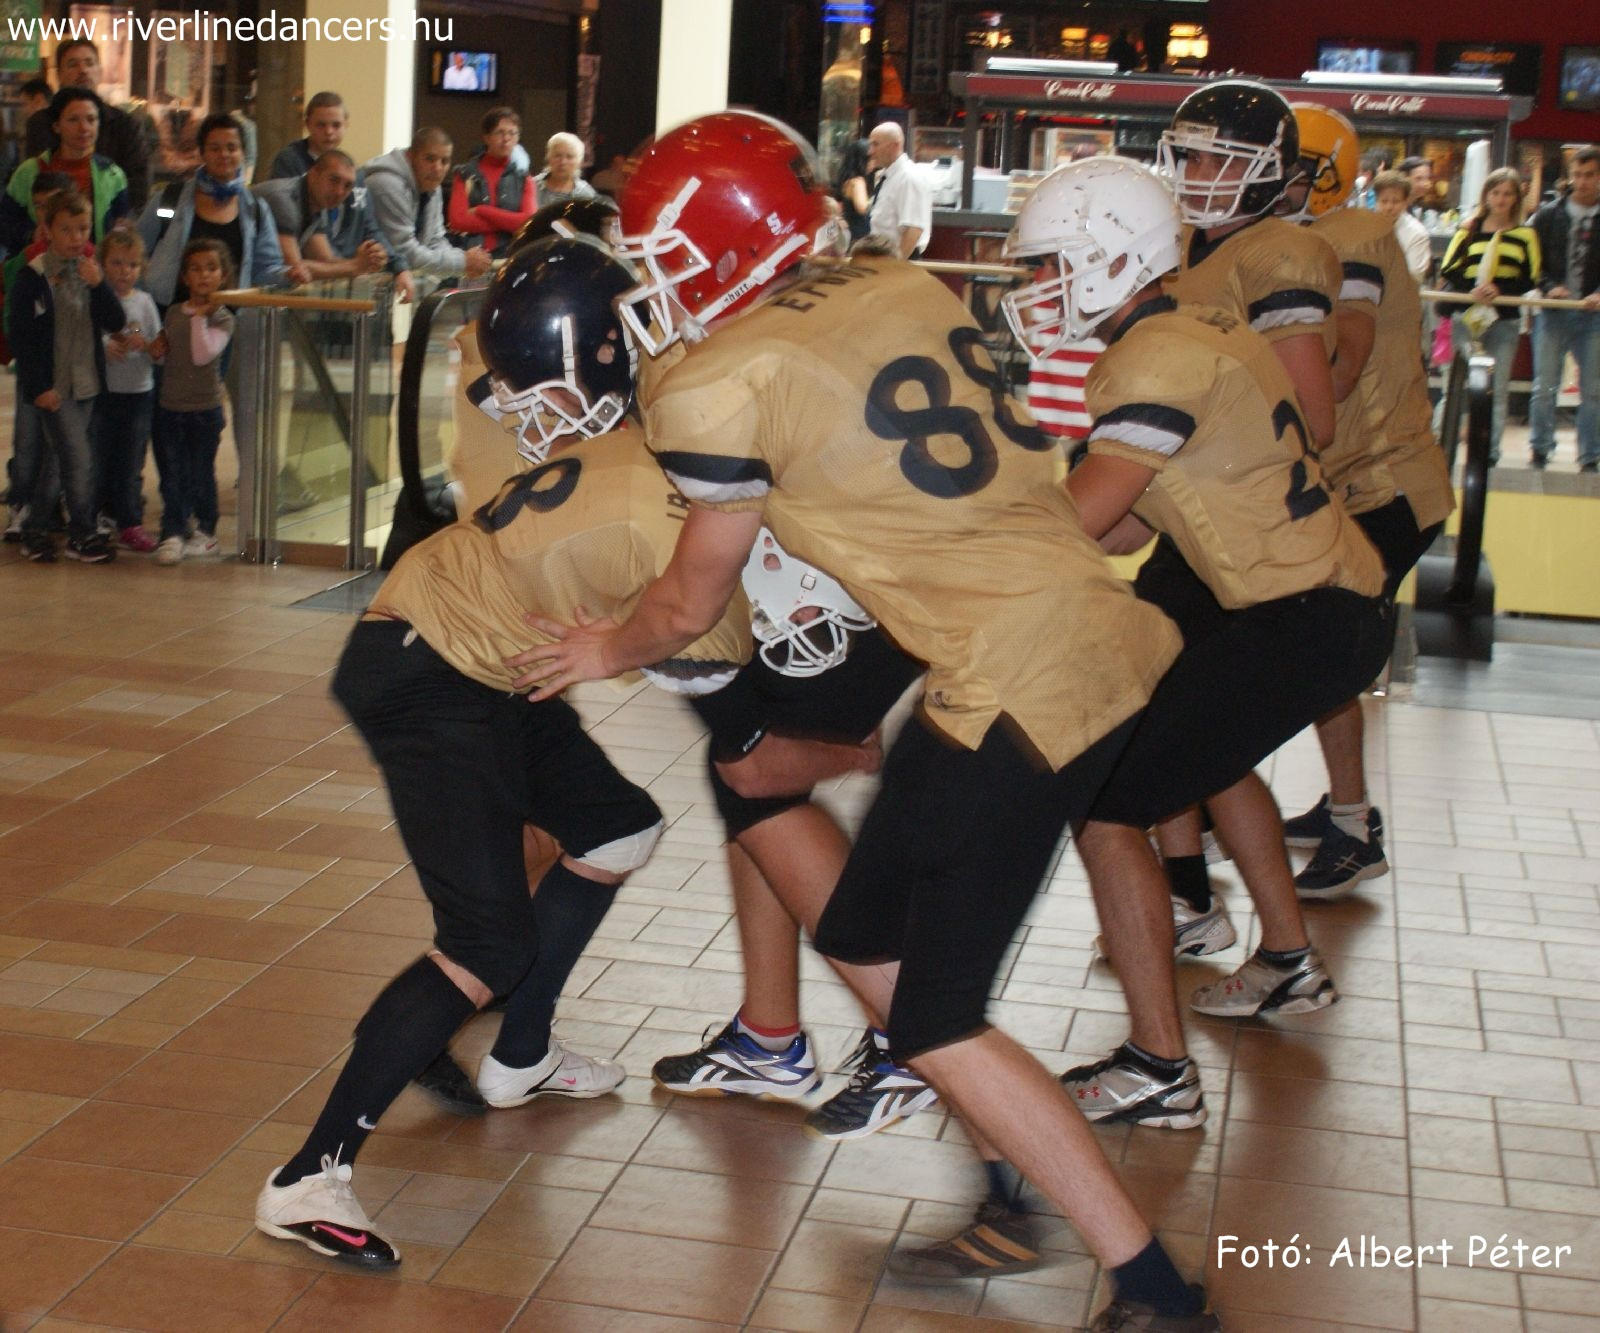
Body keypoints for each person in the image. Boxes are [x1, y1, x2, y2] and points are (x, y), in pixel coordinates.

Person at [511, 111, 1215, 1333]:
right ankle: (1003, 1174)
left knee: (935, 1013)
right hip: (1055, 632)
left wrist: (600, 647)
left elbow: (687, 599)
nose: (659, 288)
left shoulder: (710, 380)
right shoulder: (901, 277)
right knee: (859, 920)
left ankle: (1151, 1290)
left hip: (1015, 678)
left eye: (669, 256)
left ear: (731, 244)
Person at [255, 238, 732, 1269]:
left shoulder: (635, 447)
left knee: (619, 826)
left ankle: (520, 1053)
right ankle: (308, 1177)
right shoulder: (661, 468)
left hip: (477, 655)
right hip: (431, 668)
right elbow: (704, 632)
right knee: (484, 943)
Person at [999, 155, 1385, 1157]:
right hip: (1313, 600)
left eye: (1050, 267)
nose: (1038, 290)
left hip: (1295, 613)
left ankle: (1157, 1069)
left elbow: (1087, 519)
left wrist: (954, 541)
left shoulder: (1148, 358)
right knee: (1204, 764)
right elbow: (1130, 525)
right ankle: (1289, 962)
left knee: (1106, 798)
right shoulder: (1202, 325)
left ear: (1108, 258)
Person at [1146, 78, 1341, 937]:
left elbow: (1312, 413)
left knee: (1198, 743)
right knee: (1164, 721)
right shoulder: (1193, 243)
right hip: (1194, 527)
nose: (1197, 169)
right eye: (1190, 152)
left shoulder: (1275, 254)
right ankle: (1192, 898)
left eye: (1219, 155)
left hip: (1241, 537)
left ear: (1270, 171)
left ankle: (1276, 939)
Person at [1275, 104, 1456, 897]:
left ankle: (1354, 826)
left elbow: (1341, 365)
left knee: (1320, 648)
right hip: (1360, 481)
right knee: (1321, 648)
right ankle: (1345, 810)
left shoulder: (1353, 239)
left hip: (1385, 484)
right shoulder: (1318, 237)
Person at [8, 188, 125, 564]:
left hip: (86, 384)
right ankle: (81, 531)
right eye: (67, 230)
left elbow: (116, 321)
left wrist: (99, 285)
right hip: (53, 389)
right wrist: (39, 386)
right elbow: (23, 337)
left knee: (59, 461)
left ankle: (36, 527)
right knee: (78, 457)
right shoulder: (33, 277)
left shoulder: (89, 272)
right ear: (48, 230)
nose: (76, 238)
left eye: (82, 229)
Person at [139, 112, 299, 306]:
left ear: (242, 153)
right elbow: (137, 251)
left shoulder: (256, 211)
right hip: (170, 321)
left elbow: (265, 269)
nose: (224, 155)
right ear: (202, 152)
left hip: (227, 324)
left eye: (231, 148)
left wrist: (289, 275)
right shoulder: (168, 199)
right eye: (215, 148)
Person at [1438, 168, 1541, 467]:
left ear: (1516, 198)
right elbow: (1450, 268)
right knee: (1456, 385)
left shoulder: (1525, 235)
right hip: (1466, 316)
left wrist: (1500, 289)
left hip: (1504, 319)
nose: (1501, 199)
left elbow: (1531, 276)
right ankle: (1445, 445)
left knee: (1497, 388)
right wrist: (1475, 289)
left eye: (1507, 193)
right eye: (1495, 193)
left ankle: (1489, 453)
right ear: (1486, 196)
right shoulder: (1468, 229)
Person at [150, 239, 235, 565]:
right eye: (195, 269)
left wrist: (200, 318)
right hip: (171, 407)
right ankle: (173, 529)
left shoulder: (223, 318)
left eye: (211, 268)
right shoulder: (173, 312)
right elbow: (171, 356)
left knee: (201, 472)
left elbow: (202, 355)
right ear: (185, 276)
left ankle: (207, 531)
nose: (203, 275)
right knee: (172, 473)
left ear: (223, 276)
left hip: (204, 411)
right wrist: (158, 345)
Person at [254, 151, 412, 300]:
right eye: (334, 180)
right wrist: (355, 266)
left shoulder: (318, 205)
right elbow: (294, 269)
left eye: (348, 185)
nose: (339, 192)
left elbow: (325, 260)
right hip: (237, 288)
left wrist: (368, 261)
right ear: (313, 173)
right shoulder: (283, 200)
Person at [1528, 145, 1600, 471]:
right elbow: (1531, 261)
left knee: (1594, 391)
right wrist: (1547, 286)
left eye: (1590, 175)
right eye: (1578, 175)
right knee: (1544, 387)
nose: (1583, 182)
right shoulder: (1547, 215)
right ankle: (1540, 449)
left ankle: (1590, 456)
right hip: (1552, 311)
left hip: (1594, 315)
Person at [95, 228, 162, 553]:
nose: (125, 271)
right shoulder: (97, 300)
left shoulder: (145, 302)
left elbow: (158, 345)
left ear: (141, 268)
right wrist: (105, 347)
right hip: (104, 393)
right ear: (104, 265)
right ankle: (96, 515)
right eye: (117, 263)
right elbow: (85, 339)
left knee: (132, 460)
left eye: (132, 264)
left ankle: (130, 522)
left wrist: (147, 345)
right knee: (99, 457)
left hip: (138, 392)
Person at [1, 88, 132, 253]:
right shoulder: (29, 172)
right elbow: (5, 223)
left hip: (91, 271)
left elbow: (121, 225)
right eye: (73, 120)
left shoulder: (112, 175)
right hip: (36, 269)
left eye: (91, 119)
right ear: (56, 126)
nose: (84, 127)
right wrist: (31, 236)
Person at [24, 40, 149, 209]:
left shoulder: (125, 124)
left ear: (100, 71)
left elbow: (138, 185)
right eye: (73, 64)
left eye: (89, 63)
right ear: (59, 75)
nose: (83, 70)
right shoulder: (41, 122)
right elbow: (36, 179)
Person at [364, 127, 493, 282]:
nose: (437, 168)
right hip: (361, 284)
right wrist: (462, 262)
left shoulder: (432, 187)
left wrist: (465, 260)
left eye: (444, 161)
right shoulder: (387, 184)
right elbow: (403, 251)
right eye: (429, 159)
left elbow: (435, 241)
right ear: (411, 156)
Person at [447, 107, 536, 253]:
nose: (506, 139)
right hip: (470, 256)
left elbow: (528, 222)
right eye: (499, 132)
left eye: (512, 133)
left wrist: (482, 210)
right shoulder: (464, 173)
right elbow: (458, 221)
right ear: (487, 137)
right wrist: (509, 222)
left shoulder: (524, 177)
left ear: (517, 138)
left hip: (511, 256)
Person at [863, 122, 930, 259]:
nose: (870, 151)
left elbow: (913, 230)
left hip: (899, 261)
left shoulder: (909, 178)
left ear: (895, 146)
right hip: (883, 257)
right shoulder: (887, 177)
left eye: (876, 144)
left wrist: (894, 268)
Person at [267, 91, 349, 181]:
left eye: (336, 125)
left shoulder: (345, 163)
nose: (329, 132)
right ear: (307, 124)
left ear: (346, 125)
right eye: (320, 125)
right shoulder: (288, 160)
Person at [1372, 168, 1432, 283]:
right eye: (1384, 201)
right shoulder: (1366, 227)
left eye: (1395, 201)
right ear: (1376, 201)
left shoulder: (1417, 234)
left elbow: (1414, 275)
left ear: (1405, 202)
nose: (1389, 207)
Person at [533, 131, 597, 209]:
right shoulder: (532, 186)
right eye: (557, 155)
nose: (563, 162)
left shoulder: (586, 194)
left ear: (579, 162)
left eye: (569, 157)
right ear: (549, 158)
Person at [1399, 155, 1434, 220]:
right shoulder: (1397, 206)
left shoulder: (1413, 205)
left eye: (1428, 178)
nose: (1425, 183)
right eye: (1419, 178)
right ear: (1404, 177)